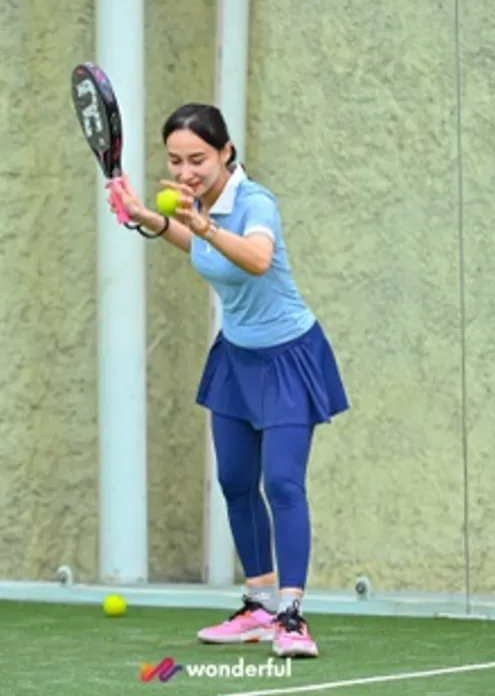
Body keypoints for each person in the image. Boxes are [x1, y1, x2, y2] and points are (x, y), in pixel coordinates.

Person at [108, 103, 348, 659]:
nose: (186, 171)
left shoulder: (255, 202)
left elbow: (257, 259)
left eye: (198, 159)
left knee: (282, 483)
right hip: (236, 359)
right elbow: (202, 250)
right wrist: (147, 217)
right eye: (175, 160)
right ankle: (258, 606)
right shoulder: (196, 205)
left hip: (289, 358)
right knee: (236, 481)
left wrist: (205, 226)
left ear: (226, 152)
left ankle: (291, 616)